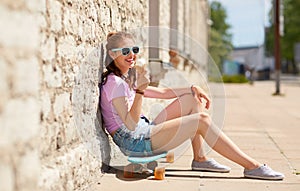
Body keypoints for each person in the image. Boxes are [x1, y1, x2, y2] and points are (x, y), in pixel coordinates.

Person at [100, 31, 284, 180]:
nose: (131, 55)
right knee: (202, 120)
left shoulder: (125, 79)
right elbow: (130, 124)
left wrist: (192, 87)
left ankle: (200, 158)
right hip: (135, 142)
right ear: (112, 54)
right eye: (125, 51)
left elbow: (163, 93)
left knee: (191, 98)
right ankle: (252, 166)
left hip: (143, 131)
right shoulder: (114, 84)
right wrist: (140, 91)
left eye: (134, 49)